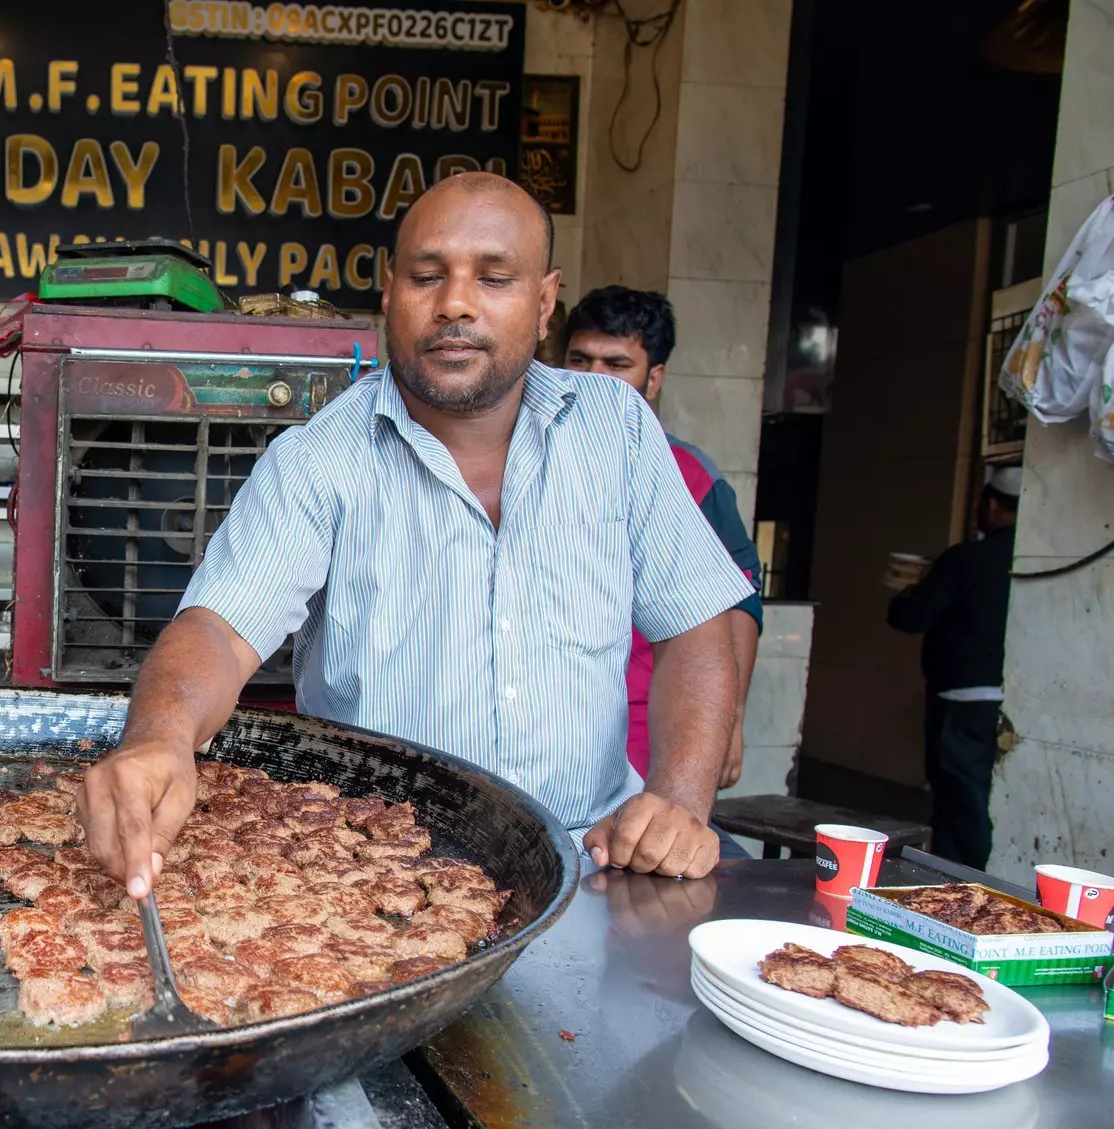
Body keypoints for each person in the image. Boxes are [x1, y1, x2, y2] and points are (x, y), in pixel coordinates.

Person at [81, 173, 748, 888]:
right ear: (391, 290)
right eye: (429, 276)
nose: (455, 303)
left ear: (546, 300)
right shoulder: (317, 461)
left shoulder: (616, 430)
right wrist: (159, 737)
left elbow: (695, 627)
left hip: (596, 864)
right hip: (383, 878)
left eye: (494, 279)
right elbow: (217, 631)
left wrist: (678, 803)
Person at [561, 286, 764, 791]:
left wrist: (730, 723)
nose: (593, 380)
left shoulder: (689, 475)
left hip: (640, 724)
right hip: (547, 718)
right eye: (579, 359)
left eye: (617, 364)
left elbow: (738, 602)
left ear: (653, 378)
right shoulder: (525, 457)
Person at [886, 466, 1018, 868]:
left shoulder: (967, 559)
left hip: (959, 704)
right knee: (969, 800)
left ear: (992, 506)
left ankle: (967, 890)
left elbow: (910, 617)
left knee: (959, 803)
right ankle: (948, 885)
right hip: (1000, 704)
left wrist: (910, 588)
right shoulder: (1026, 559)